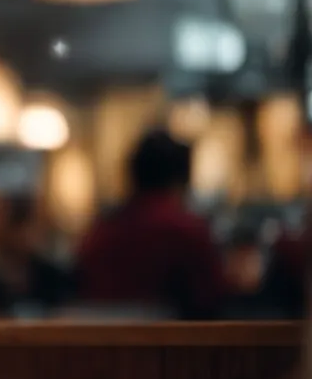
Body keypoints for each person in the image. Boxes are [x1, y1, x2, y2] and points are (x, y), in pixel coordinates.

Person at [73, 129, 225, 319]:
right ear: (180, 179)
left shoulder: (101, 231)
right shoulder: (186, 230)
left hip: (100, 342)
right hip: (172, 343)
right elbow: (209, 298)